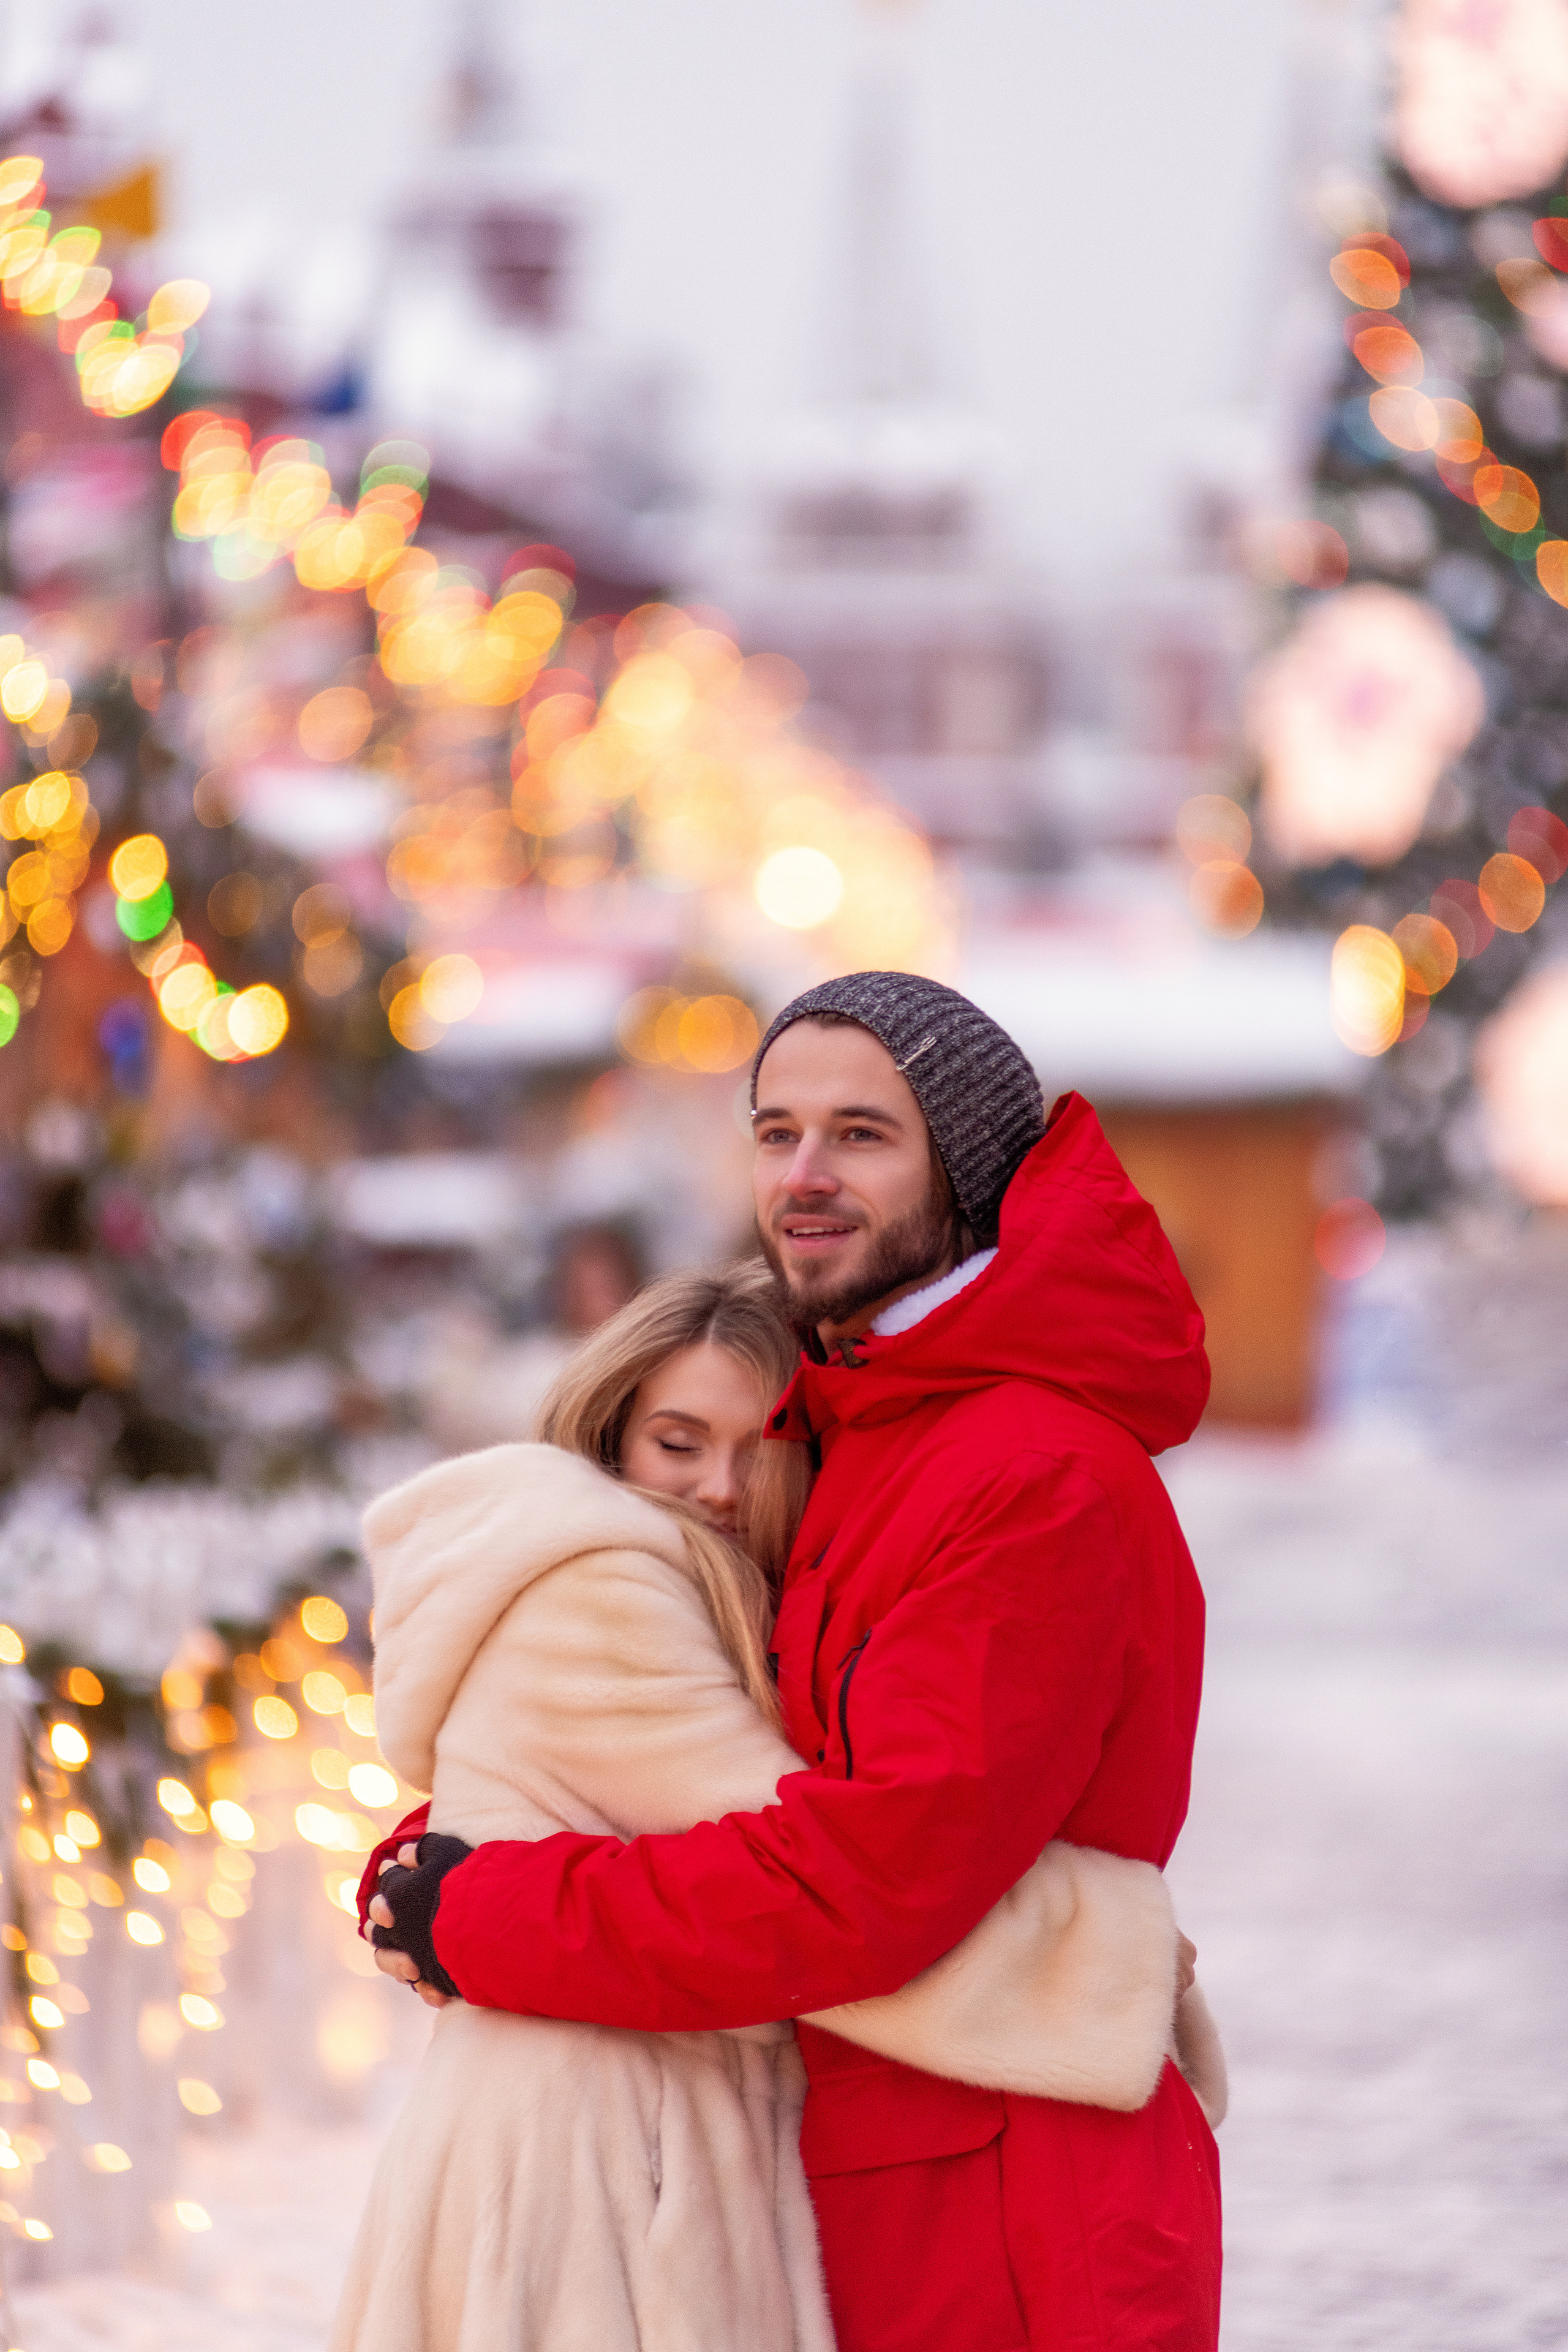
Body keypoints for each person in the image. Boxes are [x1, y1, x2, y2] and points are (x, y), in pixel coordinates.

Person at [365, 972, 1223, 2352]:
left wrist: (486, 1913)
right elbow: (728, 1760)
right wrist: (468, 1840)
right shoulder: (866, 1424)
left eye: (861, 1135)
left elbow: (860, 1879)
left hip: (1000, 2210)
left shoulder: (1027, 1474)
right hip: (885, 2176)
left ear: (969, 1166)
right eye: (775, 1132)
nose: (804, 1177)